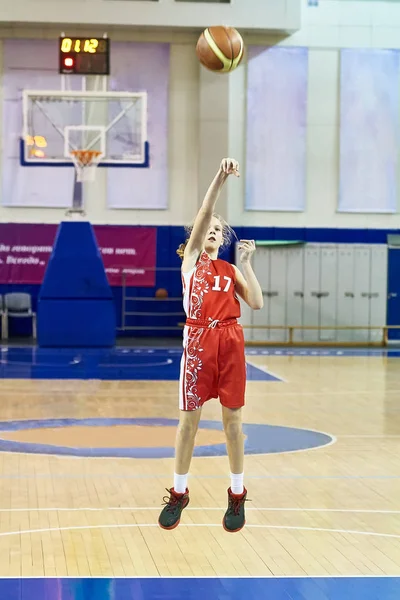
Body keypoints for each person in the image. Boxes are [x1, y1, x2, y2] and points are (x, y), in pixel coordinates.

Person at [158, 158, 263, 533]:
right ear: (198, 237)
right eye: (209, 228)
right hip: (199, 340)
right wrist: (219, 176)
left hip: (231, 339)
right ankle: (179, 491)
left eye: (219, 229)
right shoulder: (191, 263)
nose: (214, 231)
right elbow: (205, 210)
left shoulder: (230, 270)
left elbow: (256, 303)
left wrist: (247, 264)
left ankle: (236, 494)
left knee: (234, 424)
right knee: (188, 425)